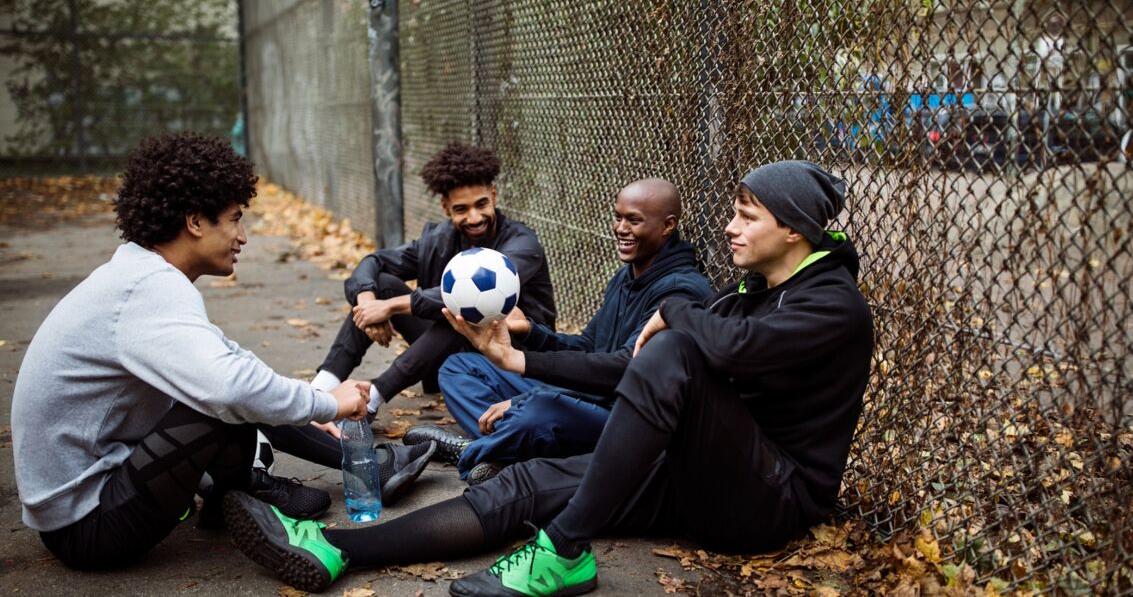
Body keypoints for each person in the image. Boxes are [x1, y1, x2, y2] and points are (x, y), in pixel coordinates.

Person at [223, 160, 874, 597]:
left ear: (793, 229)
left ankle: (563, 550)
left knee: (668, 354)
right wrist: (517, 361)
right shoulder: (751, 291)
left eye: (747, 215)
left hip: (770, 497)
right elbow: (619, 362)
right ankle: (335, 547)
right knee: (532, 482)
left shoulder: (831, 303)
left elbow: (726, 350)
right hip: (706, 472)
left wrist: (676, 314)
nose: (730, 225)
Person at [10, 132, 373, 571]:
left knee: (233, 388)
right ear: (196, 222)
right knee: (222, 403)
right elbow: (229, 387)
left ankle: (238, 495)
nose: (242, 236)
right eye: (235, 218)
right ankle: (247, 494)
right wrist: (329, 402)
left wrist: (308, 407)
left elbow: (228, 357)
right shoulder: (148, 288)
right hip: (87, 528)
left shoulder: (138, 275)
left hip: (89, 498)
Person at [404, 178, 711, 484]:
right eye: (617, 217)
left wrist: (532, 390)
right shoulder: (626, 276)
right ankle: (509, 448)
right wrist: (530, 332)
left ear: (668, 225)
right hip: (591, 396)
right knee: (459, 367)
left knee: (539, 409)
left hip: (626, 417)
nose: (620, 228)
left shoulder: (679, 292)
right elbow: (589, 346)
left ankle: (472, 451)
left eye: (634, 220)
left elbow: (625, 370)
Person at [302, 141, 556, 415]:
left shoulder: (522, 243)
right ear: (446, 207)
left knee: (463, 312)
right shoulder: (437, 240)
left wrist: (389, 307)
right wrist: (368, 304)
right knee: (383, 285)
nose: (474, 217)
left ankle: (372, 398)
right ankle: (319, 391)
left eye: (481, 204)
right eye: (461, 209)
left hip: (513, 364)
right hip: (451, 356)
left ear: (493, 195)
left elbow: (467, 303)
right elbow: (373, 262)